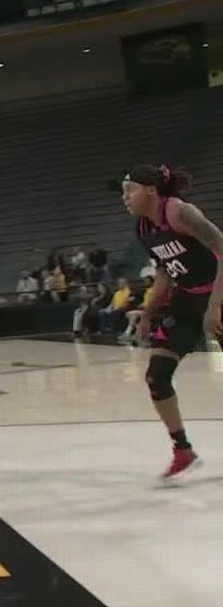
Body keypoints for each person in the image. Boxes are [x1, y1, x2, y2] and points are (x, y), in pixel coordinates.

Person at [123, 164, 223, 481]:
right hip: (186, 301)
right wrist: (148, 312)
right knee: (157, 375)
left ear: (151, 190)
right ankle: (183, 450)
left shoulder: (181, 213)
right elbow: (167, 269)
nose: (124, 198)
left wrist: (215, 306)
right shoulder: (143, 228)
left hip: (217, 293)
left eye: (130, 190)